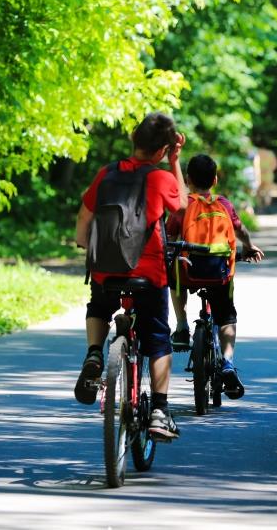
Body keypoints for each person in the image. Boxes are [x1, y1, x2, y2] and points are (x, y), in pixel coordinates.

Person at [73, 112, 188, 441]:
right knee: (158, 337)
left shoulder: (106, 174)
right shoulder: (160, 177)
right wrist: (176, 162)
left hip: (105, 269)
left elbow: (85, 216)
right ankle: (160, 411)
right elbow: (180, 205)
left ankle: (95, 352)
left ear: (133, 141)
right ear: (162, 150)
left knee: (98, 306)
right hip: (148, 273)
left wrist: (84, 244)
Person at [168, 154, 264, 399]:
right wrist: (249, 246)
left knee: (174, 275)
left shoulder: (182, 206)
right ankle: (228, 362)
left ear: (187, 179)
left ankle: (180, 327)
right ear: (215, 179)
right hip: (218, 273)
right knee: (226, 314)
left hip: (189, 272)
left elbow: (169, 237)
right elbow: (239, 228)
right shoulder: (224, 204)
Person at [256, 146, 277, 211]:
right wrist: (269, 169)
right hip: (268, 174)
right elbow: (275, 165)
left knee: (258, 192)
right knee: (268, 192)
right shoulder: (270, 153)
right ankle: (267, 207)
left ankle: (259, 207)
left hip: (258, 175)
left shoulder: (257, 152)